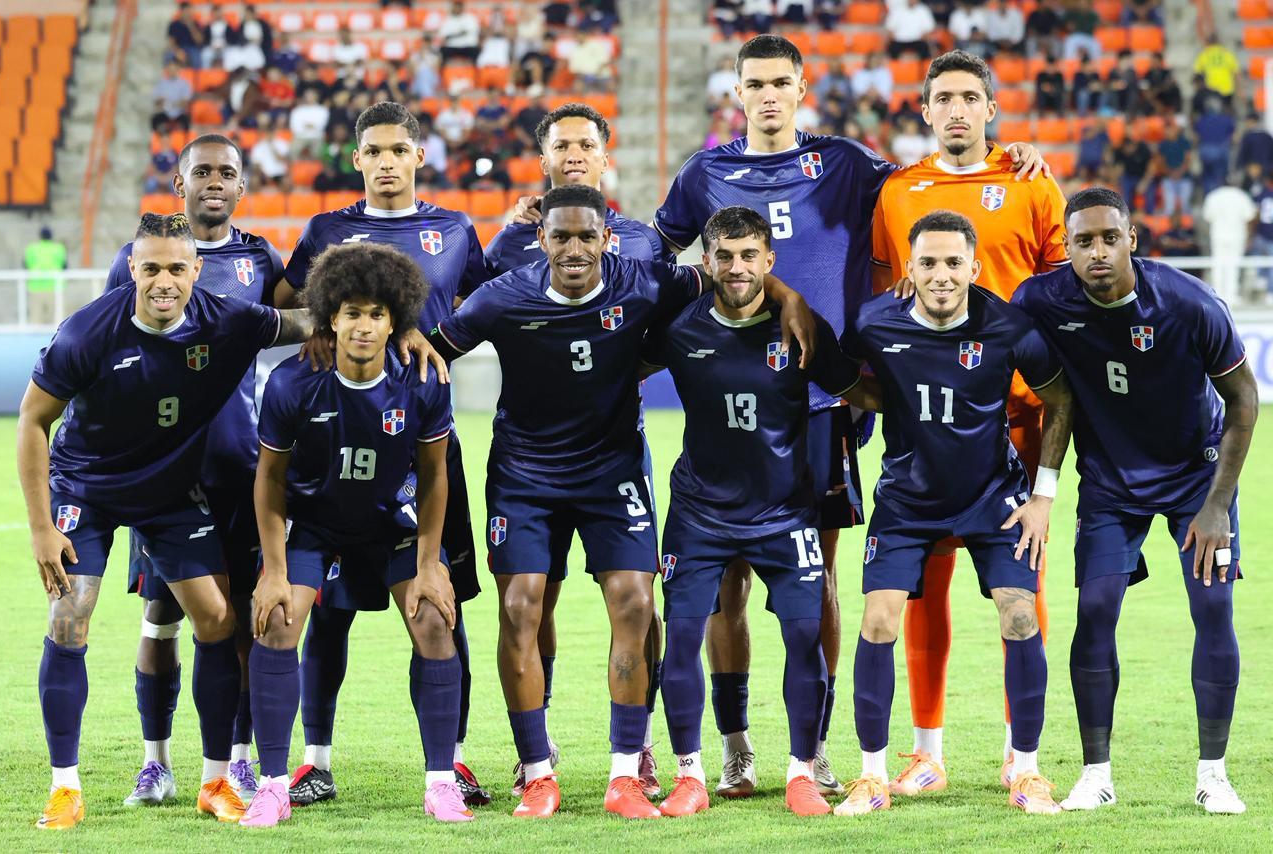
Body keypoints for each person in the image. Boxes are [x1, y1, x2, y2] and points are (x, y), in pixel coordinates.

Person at [652, 34, 1048, 799]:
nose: (768, 96)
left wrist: (1010, 154)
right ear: (736, 93)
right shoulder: (703, 173)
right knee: (724, 580)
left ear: (803, 88)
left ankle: (817, 746)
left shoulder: (847, 164)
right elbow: (654, 252)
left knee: (820, 573)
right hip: (726, 397)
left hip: (821, 403)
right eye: (754, 84)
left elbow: (939, 179)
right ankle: (735, 747)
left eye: (781, 83)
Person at [429, 184, 814, 819]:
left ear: (608, 237)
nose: (575, 249)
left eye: (587, 236)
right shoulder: (504, 296)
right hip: (525, 475)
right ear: (542, 240)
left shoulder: (644, 281)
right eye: (561, 237)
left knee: (634, 603)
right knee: (521, 606)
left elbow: (732, 273)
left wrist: (788, 296)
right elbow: (432, 350)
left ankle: (625, 773)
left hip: (613, 471)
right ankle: (537, 772)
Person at [19, 212, 313, 830]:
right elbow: (31, 421)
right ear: (131, 267)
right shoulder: (88, 332)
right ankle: (65, 787)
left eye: (177, 268)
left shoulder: (226, 318)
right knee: (70, 616)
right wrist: (43, 526)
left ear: (196, 271)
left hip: (170, 492)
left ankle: (212, 781)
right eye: (150, 267)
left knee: (215, 617)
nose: (163, 281)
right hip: (87, 487)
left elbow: (306, 321)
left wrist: (396, 316)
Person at [1011, 187, 1257, 815]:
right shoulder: (1043, 298)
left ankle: (1214, 773)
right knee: (1094, 609)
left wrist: (1215, 507)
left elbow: (1245, 402)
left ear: (1132, 240)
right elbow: (985, 317)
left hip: (1195, 480)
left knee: (1213, 607)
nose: (1096, 253)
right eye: (1082, 242)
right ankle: (1096, 774)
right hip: (1111, 483)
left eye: (1108, 239)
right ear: (1066, 249)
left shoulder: (1187, 302)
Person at [276, 100, 491, 807]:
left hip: (422, 442)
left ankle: (451, 762)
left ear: (419, 156)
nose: (388, 161)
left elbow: (489, 303)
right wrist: (313, 331)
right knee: (326, 612)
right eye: (376, 151)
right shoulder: (325, 230)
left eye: (401, 149)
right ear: (359, 159)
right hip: (334, 438)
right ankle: (314, 761)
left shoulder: (455, 229)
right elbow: (288, 301)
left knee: (440, 602)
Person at [868, 48, 1069, 796]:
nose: (957, 110)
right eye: (943, 98)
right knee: (923, 580)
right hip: (928, 417)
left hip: (1015, 413)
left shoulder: (1032, 184)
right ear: (924, 111)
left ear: (992, 109)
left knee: (1024, 582)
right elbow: (891, 296)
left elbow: (1059, 298)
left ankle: (1025, 760)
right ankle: (927, 751)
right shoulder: (898, 192)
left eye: (970, 98)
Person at [644, 206, 880, 818]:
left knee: (805, 635)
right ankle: (693, 773)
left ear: (769, 262)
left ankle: (803, 770)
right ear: (707, 262)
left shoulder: (801, 327)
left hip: (784, 511)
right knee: (684, 637)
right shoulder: (680, 330)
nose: (737, 267)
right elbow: (614, 368)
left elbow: (861, 389)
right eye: (724, 256)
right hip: (699, 512)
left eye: (750, 256)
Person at [836, 210, 1073, 817]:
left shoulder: (1009, 326)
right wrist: (888, 404)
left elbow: (1059, 399)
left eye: (952, 263)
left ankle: (1025, 770)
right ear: (908, 269)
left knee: (1020, 616)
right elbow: (845, 381)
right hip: (908, 498)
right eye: (928, 263)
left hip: (993, 495)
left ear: (975, 266)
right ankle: (871, 775)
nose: (941, 275)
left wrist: (1042, 496)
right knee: (880, 620)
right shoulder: (872, 319)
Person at [241, 242, 467, 826]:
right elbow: (269, 480)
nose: (363, 326)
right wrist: (272, 569)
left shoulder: (421, 381)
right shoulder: (292, 384)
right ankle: (272, 786)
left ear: (395, 319)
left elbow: (436, 473)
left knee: (437, 622)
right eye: (350, 313)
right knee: (278, 621)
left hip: (390, 522)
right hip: (315, 526)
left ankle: (441, 782)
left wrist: (429, 563)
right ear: (329, 318)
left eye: (375, 314)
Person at [492, 103, 670, 799]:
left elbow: (673, 324)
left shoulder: (643, 242)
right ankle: (536, 752)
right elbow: (475, 313)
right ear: (544, 158)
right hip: (528, 459)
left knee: (634, 601)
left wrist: (608, 364)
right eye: (560, 144)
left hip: (614, 453)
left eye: (585, 143)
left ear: (605, 154)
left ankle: (640, 749)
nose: (573, 153)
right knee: (532, 601)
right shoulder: (512, 244)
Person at [104, 135, 284, 808]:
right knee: (161, 616)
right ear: (178, 183)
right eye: (201, 171)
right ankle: (155, 762)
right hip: (162, 479)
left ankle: (234, 759)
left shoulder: (260, 258)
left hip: (240, 469)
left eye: (227, 172)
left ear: (243, 187)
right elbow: (105, 346)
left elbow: (309, 320)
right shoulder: (140, 260)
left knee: (235, 620)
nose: (214, 181)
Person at [1200, 178, 1256, 301]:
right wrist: (1249, 237)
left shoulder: (1214, 195)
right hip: (1237, 235)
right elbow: (1250, 217)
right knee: (1234, 264)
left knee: (1217, 263)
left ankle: (1217, 294)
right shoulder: (1241, 195)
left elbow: (1207, 217)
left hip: (1218, 234)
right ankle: (1231, 294)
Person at [24, 226, 67, 326]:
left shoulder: (32, 248)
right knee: (56, 321)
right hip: (55, 288)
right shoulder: (58, 248)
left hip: (36, 288)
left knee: (36, 320)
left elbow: (25, 265)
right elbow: (65, 266)